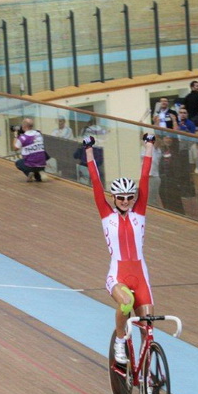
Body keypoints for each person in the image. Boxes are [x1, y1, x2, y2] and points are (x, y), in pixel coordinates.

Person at [83, 133, 156, 365]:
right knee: (125, 303)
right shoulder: (107, 215)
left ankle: (147, 371)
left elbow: (145, 176)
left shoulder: (139, 213)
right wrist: (89, 150)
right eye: (121, 197)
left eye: (129, 197)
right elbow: (95, 182)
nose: (125, 201)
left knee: (148, 326)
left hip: (140, 276)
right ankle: (120, 340)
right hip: (118, 275)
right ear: (114, 198)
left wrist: (149, 145)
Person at [13, 117, 47, 182]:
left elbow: (15, 148)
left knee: (18, 163)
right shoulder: (38, 134)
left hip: (30, 165)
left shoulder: (23, 137)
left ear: (24, 126)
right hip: (42, 164)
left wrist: (15, 136)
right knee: (38, 178)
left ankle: (29, 173)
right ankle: (40, 173)